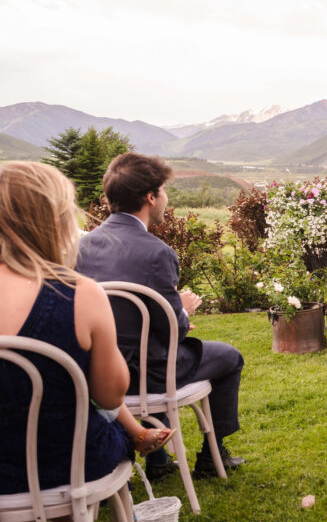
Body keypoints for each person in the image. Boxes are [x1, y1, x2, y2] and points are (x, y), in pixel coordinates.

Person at [0, 161, 171, 493]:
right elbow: (110, 396)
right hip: (66, 466)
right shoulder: (80, 294)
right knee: (90, 404)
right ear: (56, 220)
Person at [77, 152, 245, 481]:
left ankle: (157, 462)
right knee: (230, 357)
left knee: (153, 348)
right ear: (151, 197)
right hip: (148, 373)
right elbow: (175, 332)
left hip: (97, 372)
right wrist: (183, 309)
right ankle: (212, 456)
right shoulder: (156, 252)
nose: (166, 199)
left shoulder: (82, 247)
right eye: (165, 191)